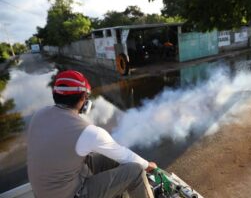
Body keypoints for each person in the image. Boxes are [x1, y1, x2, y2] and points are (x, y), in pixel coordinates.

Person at [27, 70, 157, 198]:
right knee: (136, 171)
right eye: (86, 97)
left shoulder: (39, 115)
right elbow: (125, 155)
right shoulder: (86, 131)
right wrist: (148, 165)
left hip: (45, 192)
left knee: (109, 158)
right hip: (72, 193)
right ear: (84, 98)